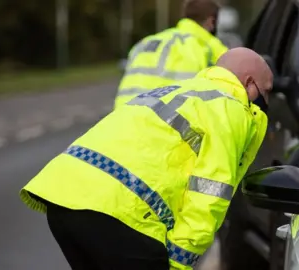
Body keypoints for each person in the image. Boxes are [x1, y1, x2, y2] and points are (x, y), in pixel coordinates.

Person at [19, 47, 273, 270]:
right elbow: (209, 194)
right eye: (267, 91)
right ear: (249, 83)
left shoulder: (177, 90)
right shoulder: (231, 108)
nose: (268, 101)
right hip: (116, 215)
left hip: (63, 197)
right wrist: (180, 261)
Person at [114, 0, 229, 109]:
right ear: (211, 21)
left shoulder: (145, 42)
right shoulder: (209, 47)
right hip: (164, 125)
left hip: (121, 121)